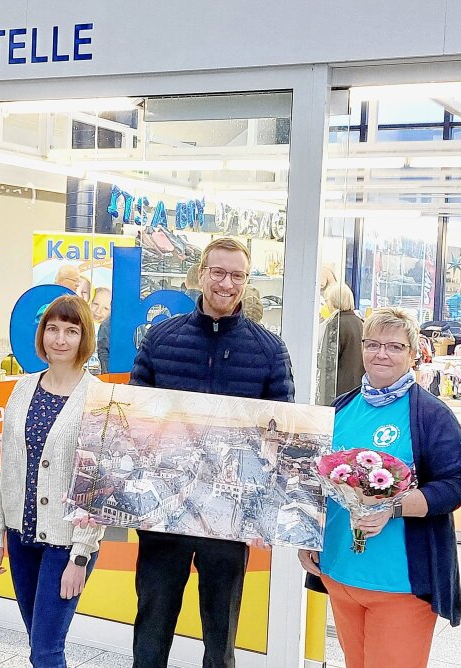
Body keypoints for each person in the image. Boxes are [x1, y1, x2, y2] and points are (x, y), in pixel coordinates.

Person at [129, 236, 295, 668]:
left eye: (237, 275)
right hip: (164, 512)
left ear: (247, 281)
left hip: (229, 516)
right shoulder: (160, 339)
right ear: (200, 274)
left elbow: (282, 437)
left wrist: (267, 511)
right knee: (152, 623)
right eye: (218, 272)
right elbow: (135, 421)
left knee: (220, 637)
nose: (226, 283)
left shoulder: (269, 350)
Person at [299, 307, 461, 668]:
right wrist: (307, 537)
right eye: (373, 344)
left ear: (412, 353)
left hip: (399, 584)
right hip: (339, 572)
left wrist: (392, 508)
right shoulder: (341, 407)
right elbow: (314, 481)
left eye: (394, 346)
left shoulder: (430, 415)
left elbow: (455, 486)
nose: (381, 354)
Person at [0, 294, 104, 668]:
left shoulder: (97, 397)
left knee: (46, 649)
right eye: (52, 328)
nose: (60, 339)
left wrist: (80, 556)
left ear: (84, 338)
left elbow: (98, 482)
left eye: (71, 330)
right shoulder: (23, 388)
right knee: (38, 641)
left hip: (66, 545)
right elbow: (10, 471)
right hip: (22, 538)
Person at [317, 283, 365, 406]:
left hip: (338, 392)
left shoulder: (335, 324)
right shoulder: (359, 323)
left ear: (333, 302)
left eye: (328, 301)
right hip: (357, 388)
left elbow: (328, 362)